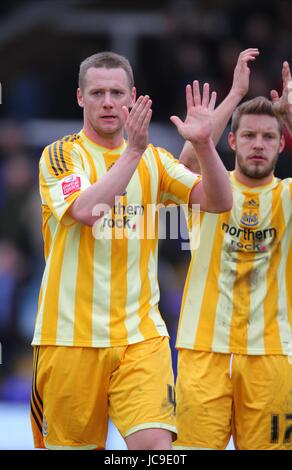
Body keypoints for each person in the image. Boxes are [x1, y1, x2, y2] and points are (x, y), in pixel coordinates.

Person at [30, 51, 232, 450]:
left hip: (141, 338)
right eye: (98, 92)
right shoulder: (60, 155)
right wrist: (132, 152)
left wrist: (206, 145)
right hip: (69, 339)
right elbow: (86, 210)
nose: (108, 101)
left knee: (157, 448)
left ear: (133, 97)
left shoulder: (155, 159)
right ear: (79, 98)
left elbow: (218, 200)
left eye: (116, 92)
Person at [174, 53, 292, 450]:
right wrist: (235, 95)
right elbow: (185, 160)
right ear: (231, 140)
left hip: (273, 356)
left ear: (281, 143)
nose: (258, 144)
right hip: (202, 350)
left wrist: (290, 117)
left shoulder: (288, 196)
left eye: (268, 136)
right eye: (248, 136)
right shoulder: (207, 188)